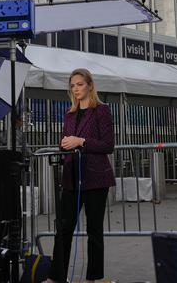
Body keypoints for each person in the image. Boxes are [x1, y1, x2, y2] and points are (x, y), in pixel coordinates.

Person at [47, 68, 115, 283]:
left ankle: (93, 278)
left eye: (80, 84)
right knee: (63, 228)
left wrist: (82, 141)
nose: (76, 89)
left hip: (96, 179)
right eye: (73, 85)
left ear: (90, 86)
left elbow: (108, 145)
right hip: (71, 177)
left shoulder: (101, 110)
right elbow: (65, 140)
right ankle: (56, 277)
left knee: (94, 231)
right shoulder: (69, 114)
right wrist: (65, 143)